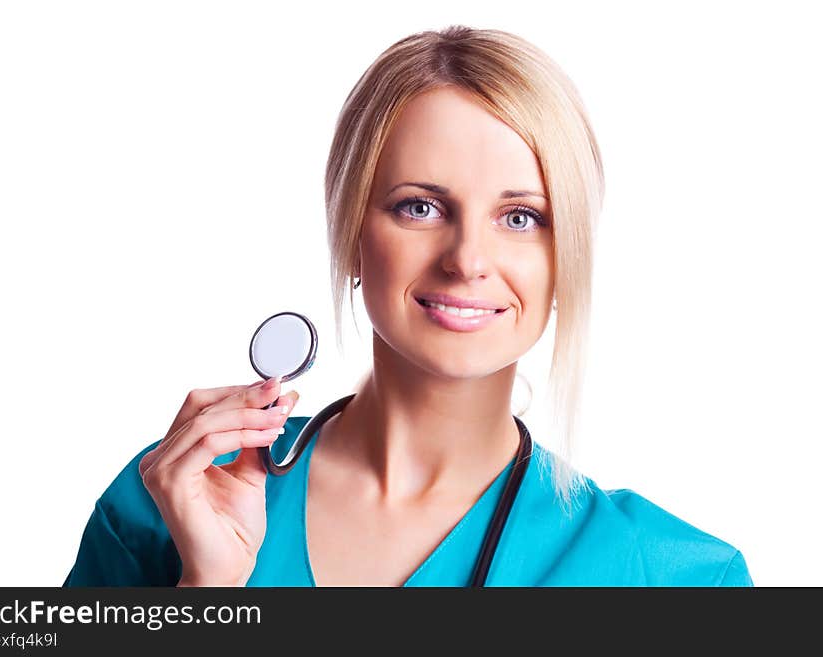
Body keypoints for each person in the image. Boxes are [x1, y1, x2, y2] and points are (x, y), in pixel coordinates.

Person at [63, 25, 753, 587]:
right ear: (350, 233)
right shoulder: (167, 505)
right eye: (419, 207)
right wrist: (207, 595)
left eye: (520, 217)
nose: (467, 259)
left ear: (565, 255)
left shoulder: (680, 578)